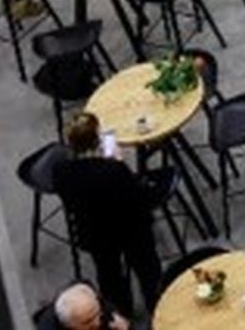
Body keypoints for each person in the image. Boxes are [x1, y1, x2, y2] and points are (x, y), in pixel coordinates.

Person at [52, 112, 162, 318]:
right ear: (97, 140)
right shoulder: (114, 170)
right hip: (130, 228)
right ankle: (156, 306)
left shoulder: (61, 172)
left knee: (109, 275)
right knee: (147, 268)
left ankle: (121, 314)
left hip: (95, 233)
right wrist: (117, 163)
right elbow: (137, 198)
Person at [40, 282, 129, 330]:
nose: (97, 322)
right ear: (69, 325)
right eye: (87, 321)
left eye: (97, 313)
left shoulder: (96, 308)